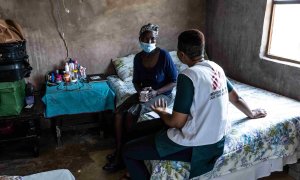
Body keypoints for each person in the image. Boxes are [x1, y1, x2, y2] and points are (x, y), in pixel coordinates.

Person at [121, 29, 267, 180]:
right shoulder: (217, 68)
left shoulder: (187, 76)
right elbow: (236, 99)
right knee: (137, 130)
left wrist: (161, 111)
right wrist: (252, 113)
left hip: (198, 145)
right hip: (217, 139)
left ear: (181, 55)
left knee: (128, 151)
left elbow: (176, 123)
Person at [102, 23, 178, 172]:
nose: (149, 42)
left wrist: (155, 93)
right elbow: (136, 81)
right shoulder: (138, 58)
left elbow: (173, 81)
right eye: (146, 39)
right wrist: (141, 91)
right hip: (143, 93)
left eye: (153, 39)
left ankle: (122, 156)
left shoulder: (164, 55)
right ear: (140, 38)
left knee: (132, 113)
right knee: (118, 112)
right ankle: (119, 149)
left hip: (162, 95)